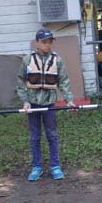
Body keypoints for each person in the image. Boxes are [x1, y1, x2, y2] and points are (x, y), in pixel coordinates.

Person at [16, 29, 76, 181]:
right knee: (35, 137)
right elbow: (20, 81)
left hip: (49, 104)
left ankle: (55, 166)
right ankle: (37, 167)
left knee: (52, 135)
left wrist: (69, 99)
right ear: (37, 42)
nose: (47, 45)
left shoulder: (58, 60)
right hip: (33, 104)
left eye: (50, 42)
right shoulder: (27, 59)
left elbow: (64, 81)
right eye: (44, 42)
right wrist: (25, 101)